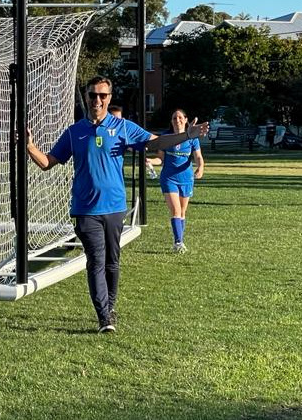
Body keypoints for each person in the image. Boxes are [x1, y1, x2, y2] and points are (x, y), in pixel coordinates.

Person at [26, 76, 209, 333]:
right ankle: (104, 317)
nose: (97, 100)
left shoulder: (122, 127)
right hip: (85, 210)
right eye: (93, 95)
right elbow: (48, 162)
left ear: (110, 98)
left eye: (102, 96)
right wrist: (30, 146)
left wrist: (185, 136)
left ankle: (109, 307)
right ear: (86, 98)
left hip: (114, 208)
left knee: (112, 262)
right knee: (96, 260)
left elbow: (156, 143)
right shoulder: (74, 131)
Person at [148, 109, 205, 253]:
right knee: (176, 210)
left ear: (186, 120)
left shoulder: (192, 138)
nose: (177, 120)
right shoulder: (166, 138)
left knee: (183, 212)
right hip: (169, 178)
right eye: (174, 118)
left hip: (186, 178)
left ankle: (179, 240)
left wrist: (200, 168)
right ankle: (178, 243)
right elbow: (160, 159)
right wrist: (149, 161)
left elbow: (198, 157)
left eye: (180, 117)